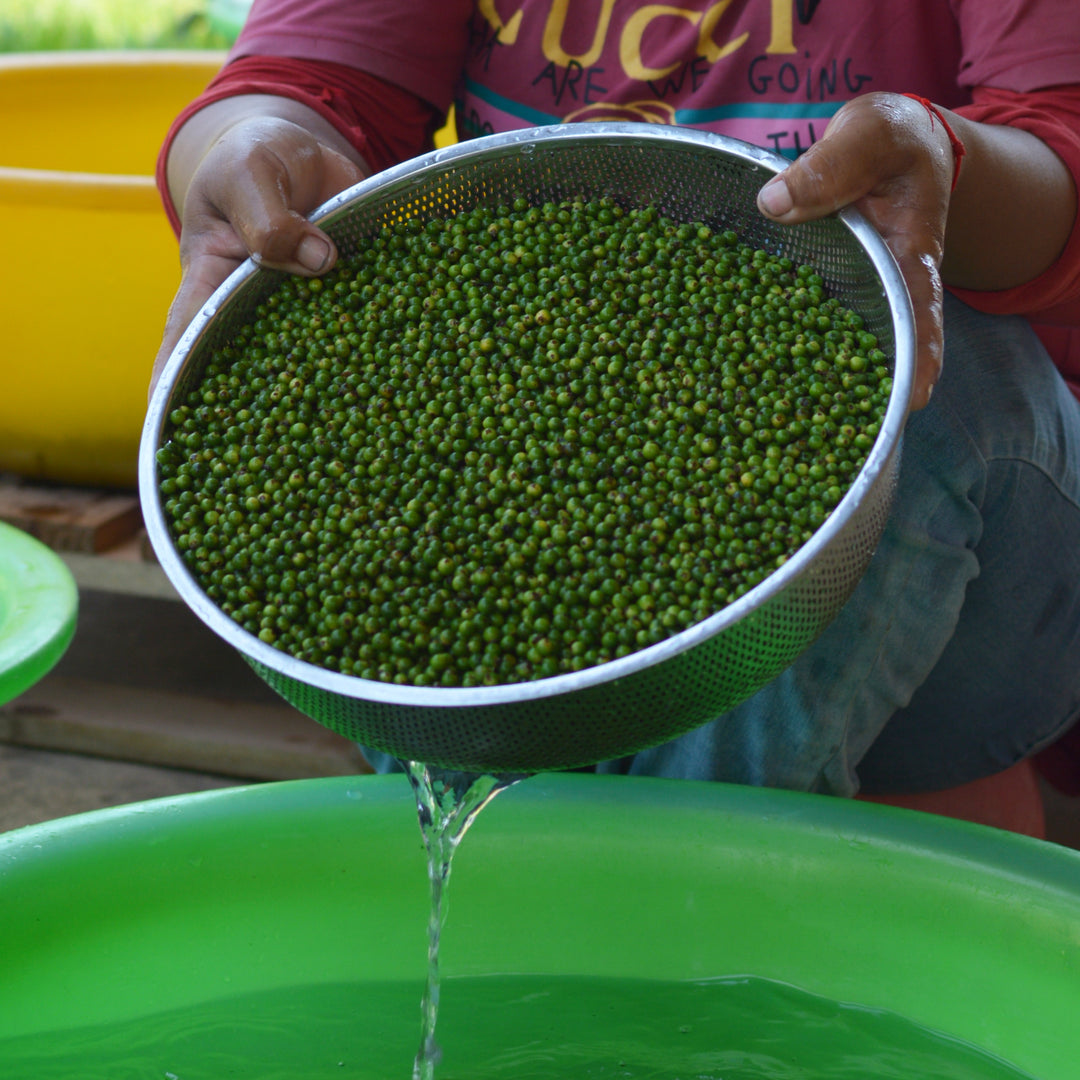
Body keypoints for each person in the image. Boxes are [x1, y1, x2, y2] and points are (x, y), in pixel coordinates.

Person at [153, 1, 1080, 837]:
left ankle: (686, 900)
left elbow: (1063, 142)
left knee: (923, 373)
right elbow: (306, 86)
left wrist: (942, 158)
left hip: (986, 548)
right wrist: (254, 145)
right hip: (534, 400)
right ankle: (523, 857)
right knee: (338, 383)